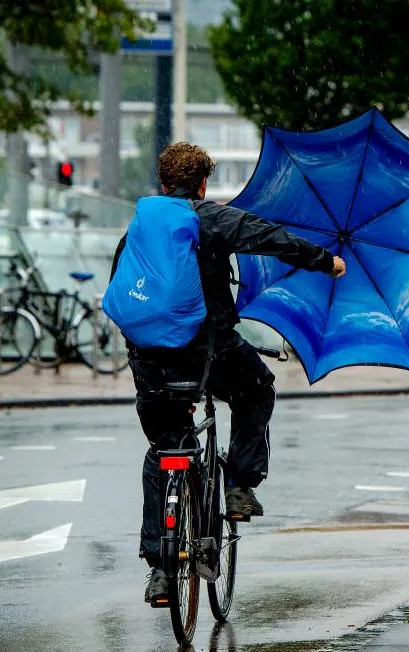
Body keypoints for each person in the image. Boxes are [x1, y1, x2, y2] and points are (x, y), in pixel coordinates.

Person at [110, 142, 346, 606]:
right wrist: (325, 261)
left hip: (152, 362)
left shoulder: (139, 231)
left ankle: (160, 572)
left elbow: (124, 292)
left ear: (162, 184)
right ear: (202, 184)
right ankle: (239, 487)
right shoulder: (208, 218)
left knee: (166, 449)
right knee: (257, 389)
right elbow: (270, 237)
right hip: (208, 354)